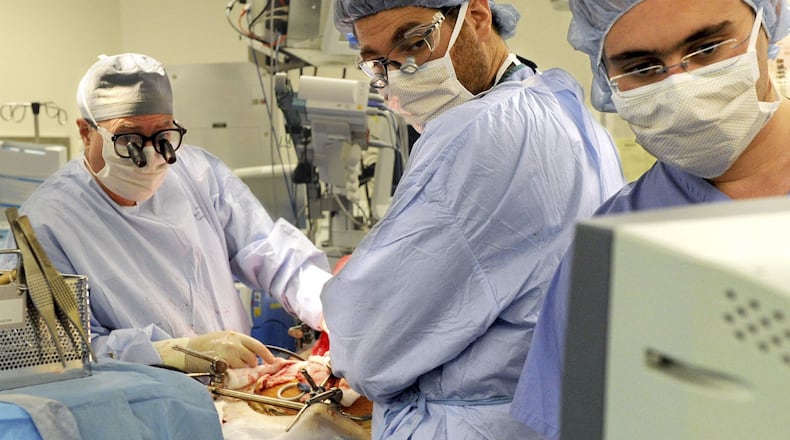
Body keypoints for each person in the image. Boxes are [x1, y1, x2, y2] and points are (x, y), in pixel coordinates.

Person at [320, 0, 625, 438]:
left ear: (477, 16)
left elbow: (365, 349)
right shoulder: (564, 106)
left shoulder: (480, 132)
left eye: (413, 41)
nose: (401, 72)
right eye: (378, 62)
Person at [510, 0, 790, 438]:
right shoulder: (615, 247)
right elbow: (574, 422)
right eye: (643, 67)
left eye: (708, 47)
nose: (682, 87)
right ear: (607, 79)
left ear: (767, 21)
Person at [0, 53, 333, 372]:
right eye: (128, 139)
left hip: (235, 390)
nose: (150, 155)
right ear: (86, 133)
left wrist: (331, 307)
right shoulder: (46, 224)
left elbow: (270, 254)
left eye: (163, 136)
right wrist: (171, 353)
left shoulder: (198, 174)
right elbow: (60, 354)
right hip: (143, 404)